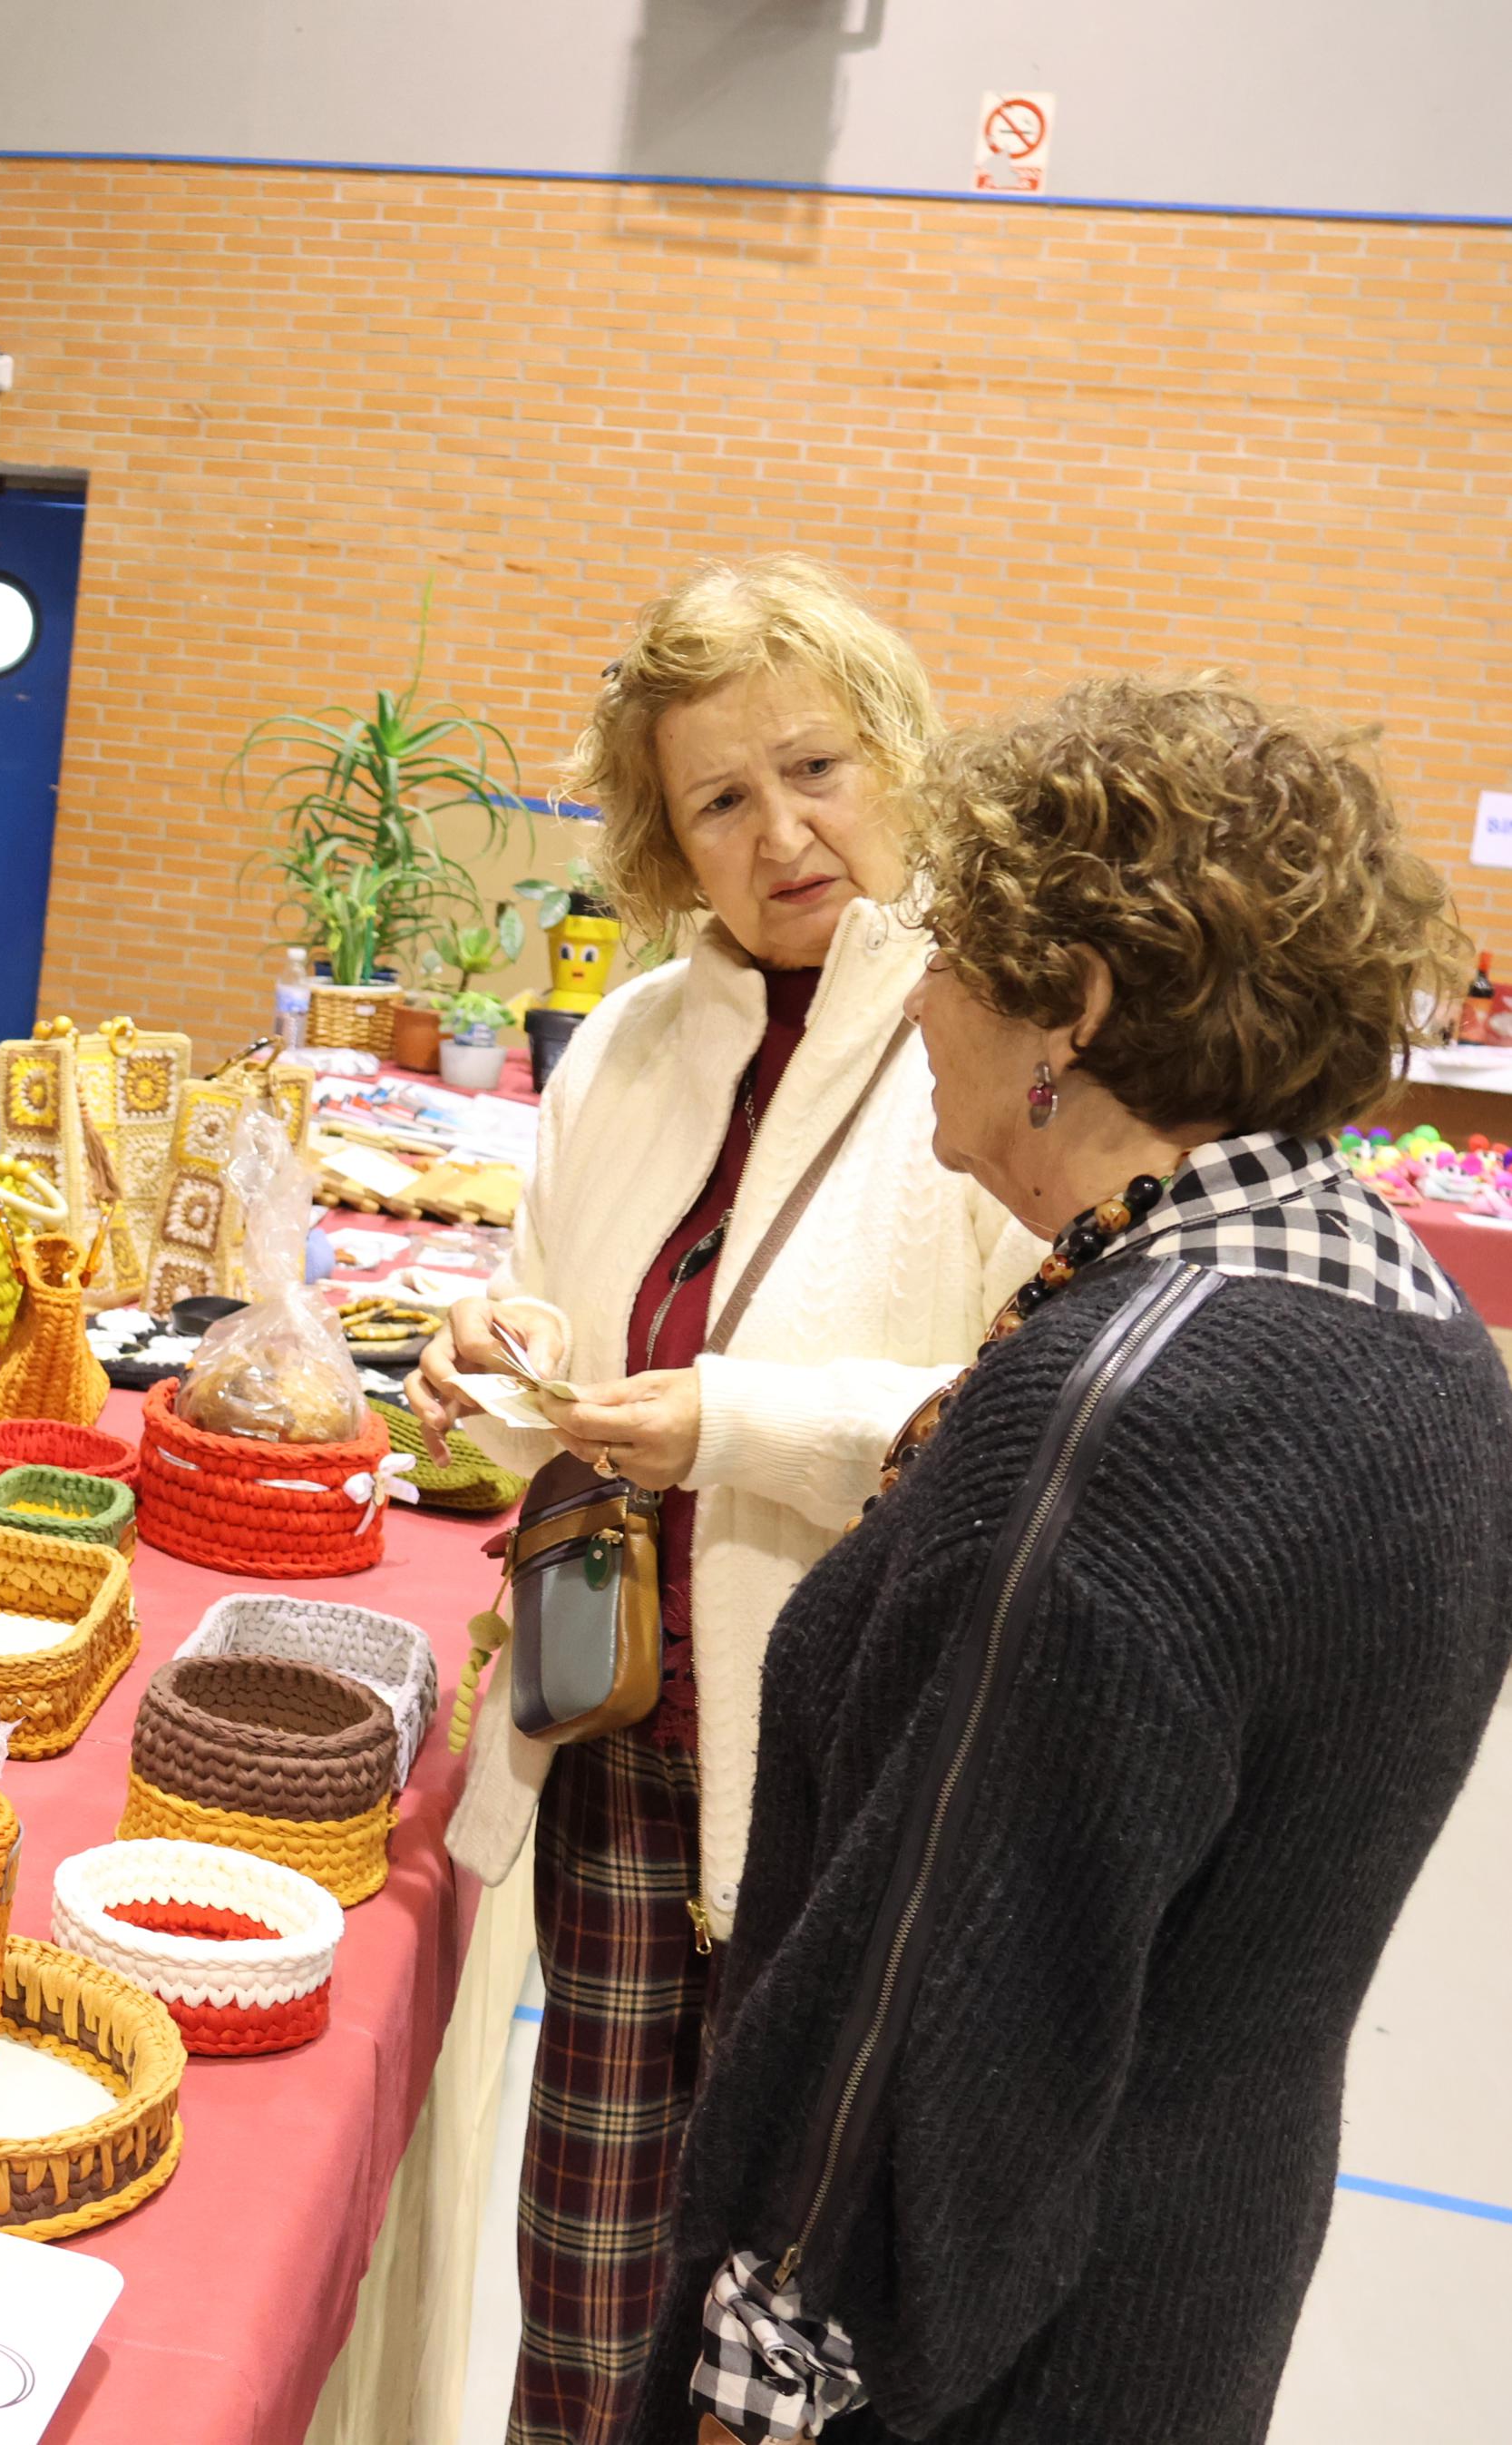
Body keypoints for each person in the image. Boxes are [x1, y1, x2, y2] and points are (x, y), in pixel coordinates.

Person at [640, 679, 1511, 2444]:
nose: (915, 996)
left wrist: (742, 2387)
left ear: (1073, 1009)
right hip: (1183, 2286)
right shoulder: (1403, 1319)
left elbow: (928, 2019)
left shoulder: (1103, 1425)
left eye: (949, 948)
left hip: (975, 2366)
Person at [406, 559, 1038, 2445]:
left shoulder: (992, 1037)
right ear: (663, 842)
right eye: (717, 801)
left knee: (774, 2312)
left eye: (815, 767)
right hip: (607, 1734)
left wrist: (732, 1424)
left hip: (835, 1782)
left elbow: (1012, 1409)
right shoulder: (619, 1046)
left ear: (897, 755)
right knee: (584, 2273)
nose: (781, 834)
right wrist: (491, 1367)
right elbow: (552, 1320)